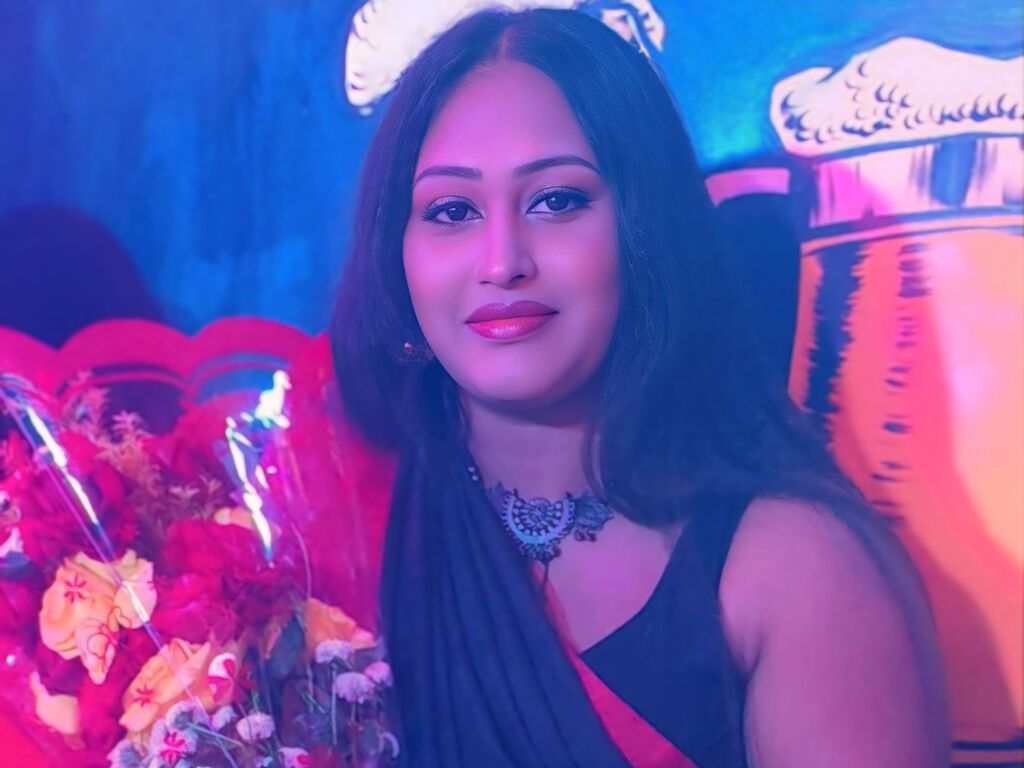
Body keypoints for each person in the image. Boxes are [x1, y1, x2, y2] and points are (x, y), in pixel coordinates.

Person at [330, 8, 949, 767]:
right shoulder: (343, 525)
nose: (501, 261)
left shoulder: (796, 568)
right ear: (395, 256)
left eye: (557, 200)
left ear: (646, 227)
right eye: (452, 210)